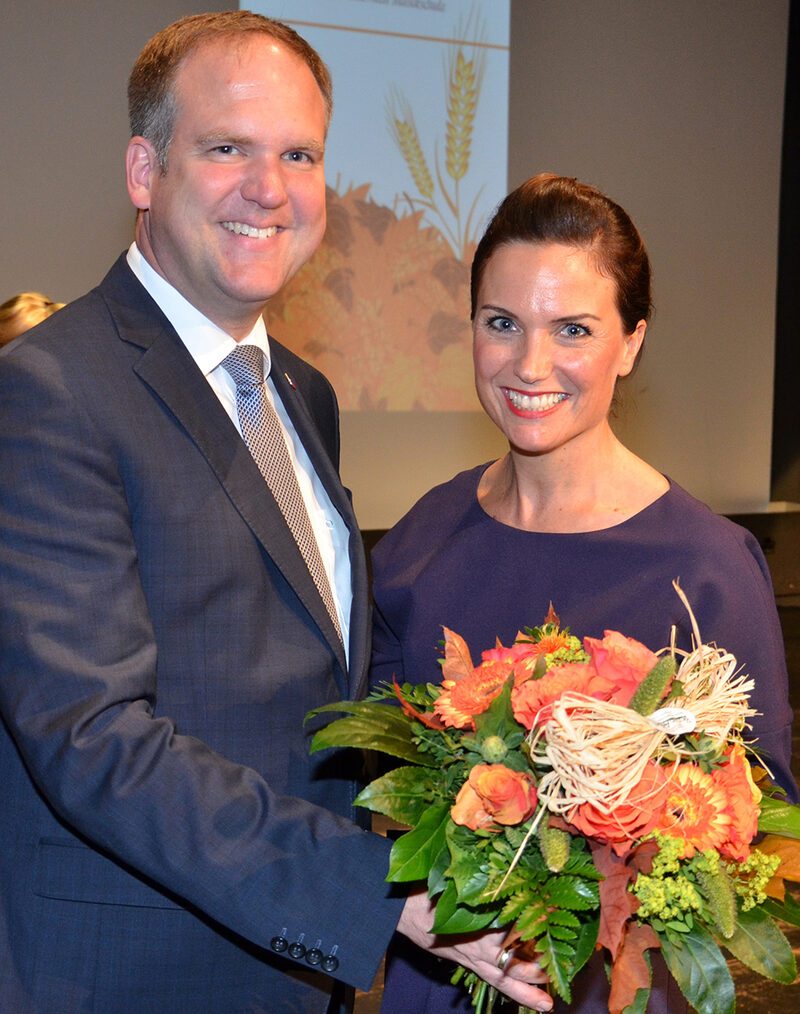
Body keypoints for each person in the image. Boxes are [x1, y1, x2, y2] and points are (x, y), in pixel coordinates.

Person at [0, 13, 552, 1014]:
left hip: (292, 974)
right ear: (142, 168)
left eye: (299, 154)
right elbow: (92, 737)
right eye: (227, 149)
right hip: (132, 977)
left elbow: (302, 696)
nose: (270, 189)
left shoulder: (299, 393)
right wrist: (376, 893)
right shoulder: (46, 391)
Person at [370, 173, 798, 1013]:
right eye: (502, 324)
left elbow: (762, 835)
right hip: (439, 991)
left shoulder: (708, 568)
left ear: (631, 343)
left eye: (573, 329)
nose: (530, 365)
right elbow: (365, 793)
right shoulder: (423, 538)